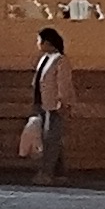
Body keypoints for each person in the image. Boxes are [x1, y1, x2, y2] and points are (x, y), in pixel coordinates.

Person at [28, 28, 74, 184]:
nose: (38, 44)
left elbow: (63, 83)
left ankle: (47, 173)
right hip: (44, 104)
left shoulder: (60, 60)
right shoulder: (45, 59)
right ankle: (59, 172)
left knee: (51, 140)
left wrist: (62, 102)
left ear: (48, 42)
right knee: (52, 139)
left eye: (39, 41)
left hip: (55, 105)